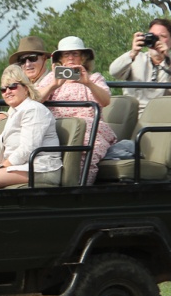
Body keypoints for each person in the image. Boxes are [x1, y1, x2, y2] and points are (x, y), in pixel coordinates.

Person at [34, 36, 115, 185]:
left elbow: (105, 101)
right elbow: (34, 101)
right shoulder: (52, 78)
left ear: (83, 57)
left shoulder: (94, 78)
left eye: (75, 54)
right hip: (60, 128)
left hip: (89, 129)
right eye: (66, 54)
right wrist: (53, 85)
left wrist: (88, 83)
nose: (70, 58)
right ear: (60, 59)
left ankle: (81, 187)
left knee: (88, 146)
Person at [0, 65, 62, 189]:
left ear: (26, 88)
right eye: (3, 89)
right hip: (22, 165)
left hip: (41, 168)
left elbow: (28, 149)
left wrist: (0, 167)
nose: (7, 92)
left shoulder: (33, 109)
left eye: (13, 86)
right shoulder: (14, 112)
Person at [109, 18, 171, 115]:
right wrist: (132, 53)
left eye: (162, 36)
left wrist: (166, 58)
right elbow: (114, 72)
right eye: (153, 36)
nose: (156, 40)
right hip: (129, 114)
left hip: (157, 116)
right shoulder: (135, 58)